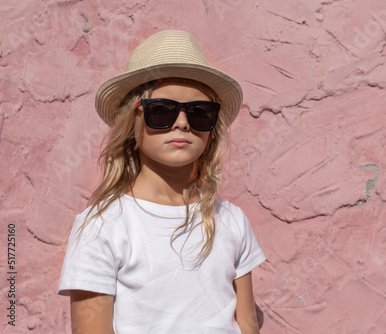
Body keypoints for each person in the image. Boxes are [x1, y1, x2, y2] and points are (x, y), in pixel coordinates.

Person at [57, 30, 266, 334]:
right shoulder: (102, 225)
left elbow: (246, 323)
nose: (182, 122)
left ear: (212, 131)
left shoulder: (231, 219)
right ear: (133, 121)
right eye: (162, 110)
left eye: (200, 113)